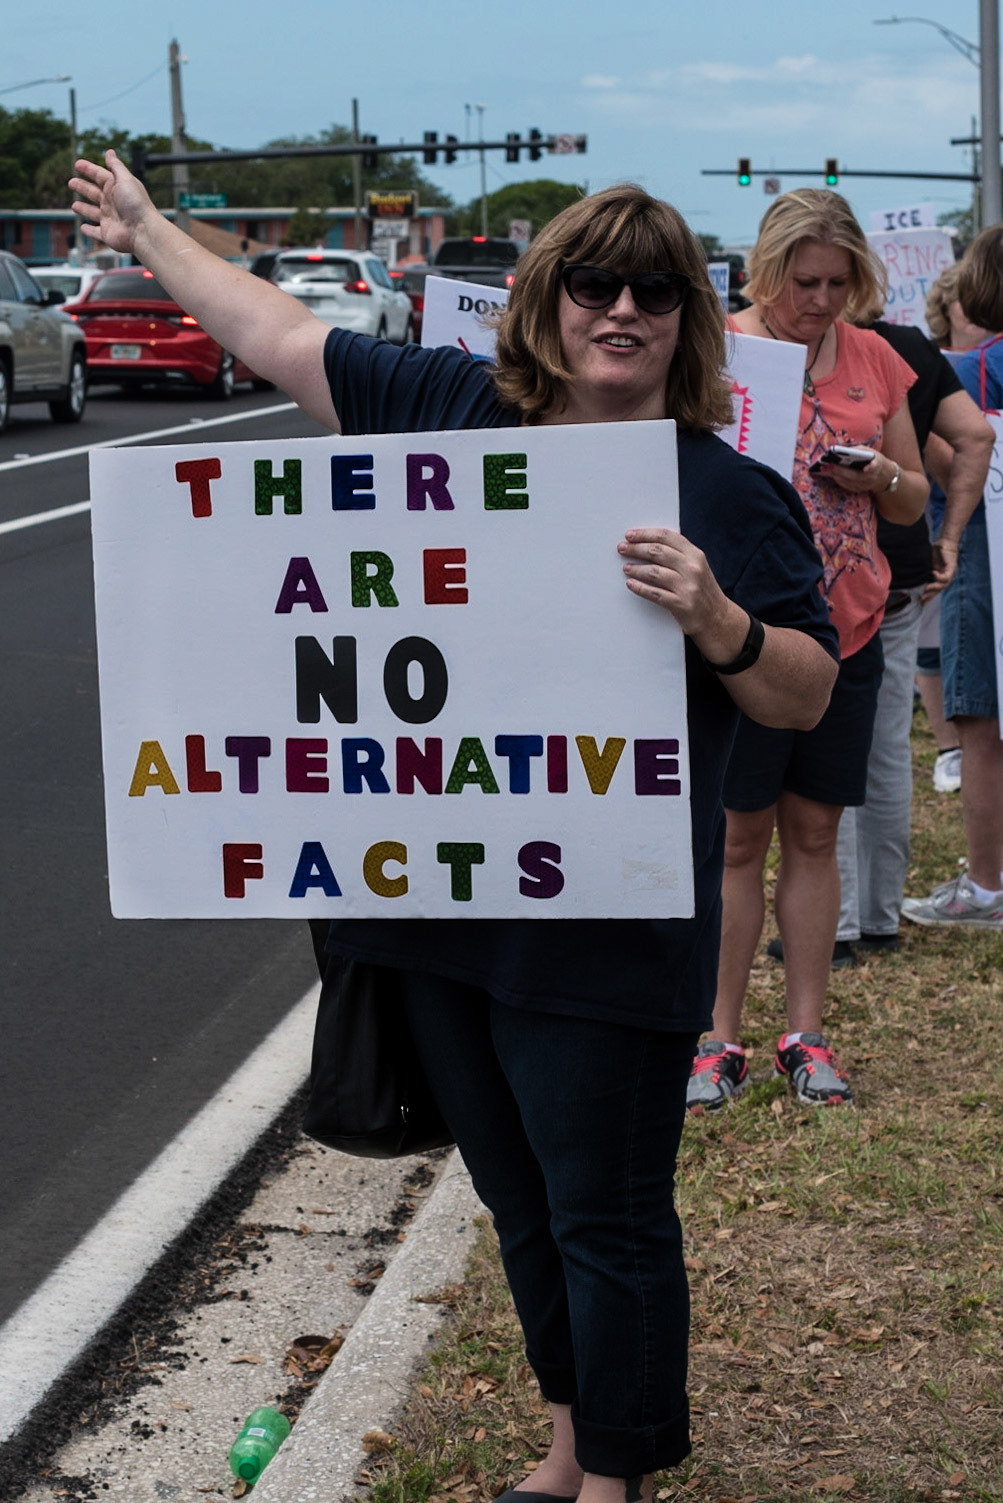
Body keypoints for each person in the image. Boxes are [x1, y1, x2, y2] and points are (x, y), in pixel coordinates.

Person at [71, 154, 838, 1503]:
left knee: (605, 1214)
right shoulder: (446, 411)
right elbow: (277, 331)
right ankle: (568, 1445)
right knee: (518, 1202)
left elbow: (805, 688)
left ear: (686, 318)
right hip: (439, 924)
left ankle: (616, 1479)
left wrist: (718, 620)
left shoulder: (722, 494)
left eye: (652, 291)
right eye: (590, 283)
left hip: (607, 936)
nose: (619, 310)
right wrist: (148, 230)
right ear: (544, 302)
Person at [687, 188, 928, 1115]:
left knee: (816, 832)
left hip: (849, 624)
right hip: (748, 636)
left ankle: (805, 1034)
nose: (820, 302)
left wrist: (882, 474)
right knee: (736, 838)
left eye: (836, 283)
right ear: (765, 271)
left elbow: (911, 498)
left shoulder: (874, 356)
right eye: (803, 284)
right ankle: (716, 1038)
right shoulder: (721, 351)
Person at [830, 303, 993, 956]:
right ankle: (875, 915)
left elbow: (971, 440)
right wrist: (948, 535)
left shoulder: (820, 352)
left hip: (838, 567)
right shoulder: (913, 349)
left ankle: (838, 921)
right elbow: (971, 439)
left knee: (833, 744)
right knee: (887, 743)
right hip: (899, 563)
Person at [901, 227, 1003, 930]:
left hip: (983, 558)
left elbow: (943, 465)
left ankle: (986, 884)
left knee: (980, 725)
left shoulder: (966, 372)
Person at [915, 264, 992, 794]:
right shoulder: (939, 366)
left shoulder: (985, 366)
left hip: (977, 519)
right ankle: (949, 748)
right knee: (933, 632)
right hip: (939, 513)